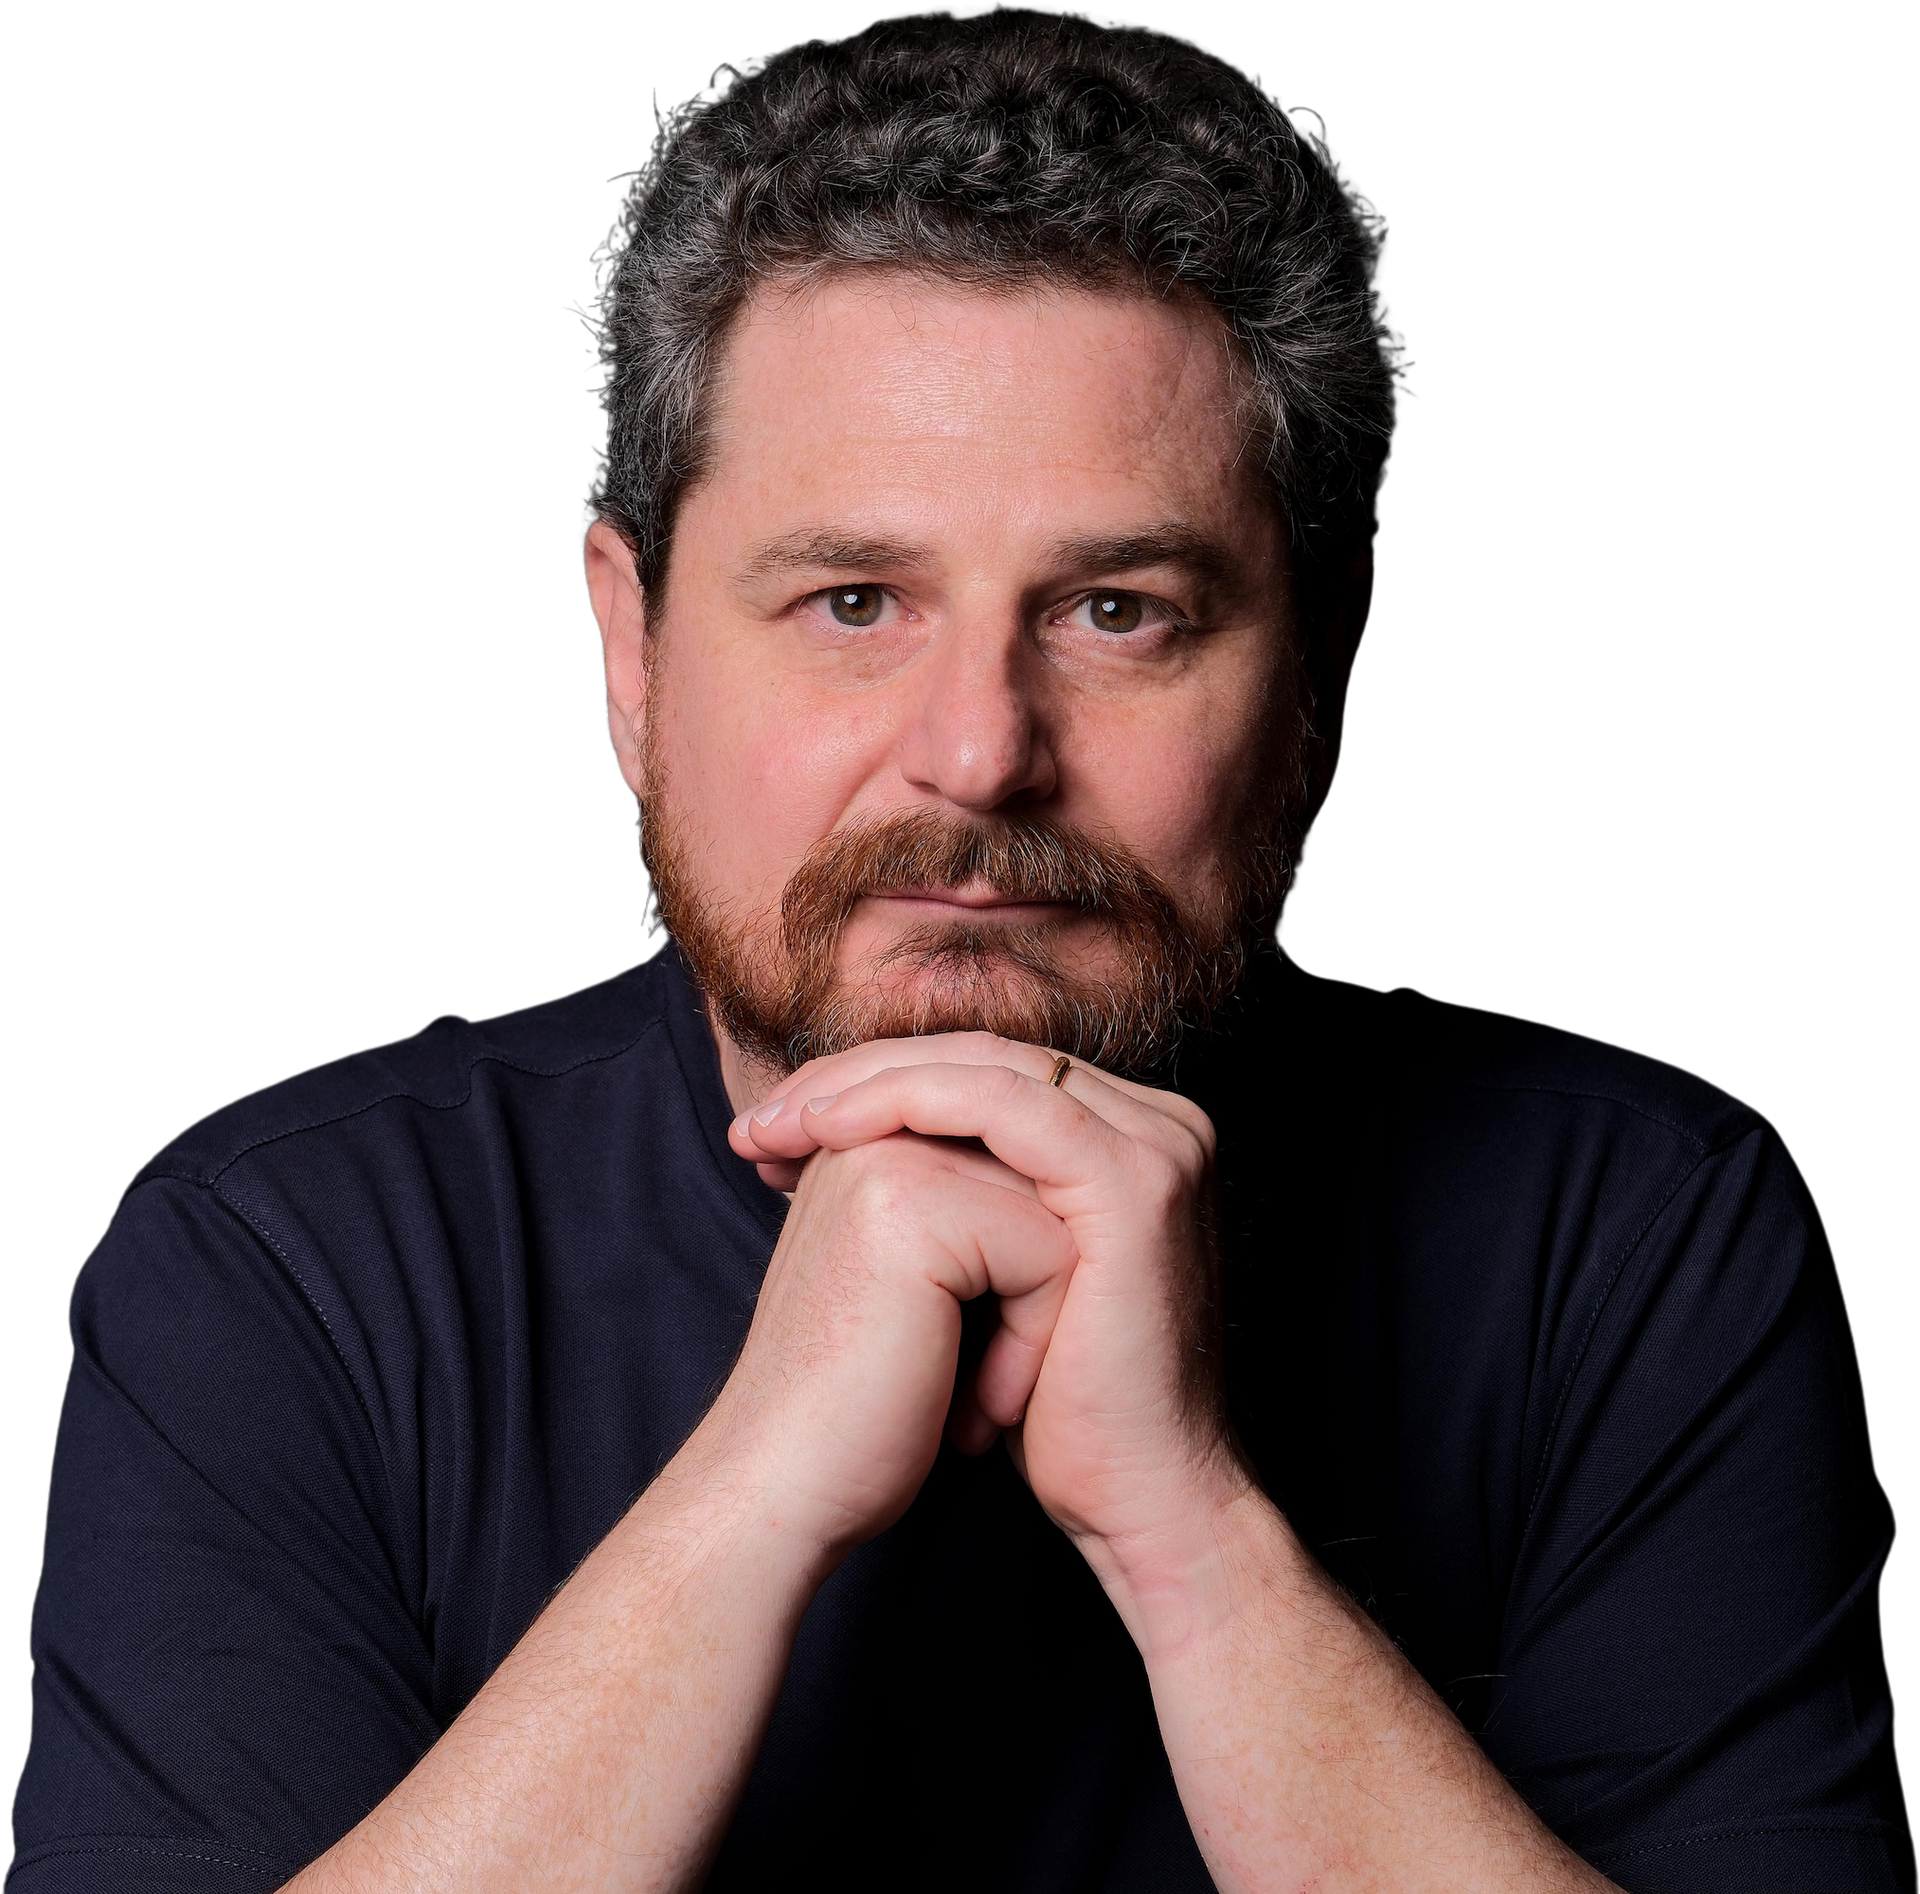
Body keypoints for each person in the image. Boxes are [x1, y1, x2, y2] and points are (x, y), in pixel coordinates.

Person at [11, 9, 1905, 1891]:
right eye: (852, 600)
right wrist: (753, 1491)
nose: (982, 747)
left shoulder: (1636, 1231)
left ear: (1321, 678)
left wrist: (1198, 1541)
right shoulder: (282, 1263)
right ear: (632, 655)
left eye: (1118, 609)